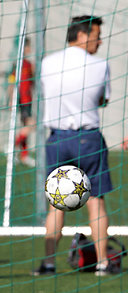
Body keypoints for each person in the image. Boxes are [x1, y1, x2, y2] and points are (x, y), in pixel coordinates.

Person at [33, 16, 113, 277]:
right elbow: (102, 100)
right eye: (97, 35)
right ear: (82, 35)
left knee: (55, 204)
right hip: (88, 139)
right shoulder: (100, 65)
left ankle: (48, 263)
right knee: (97, 203)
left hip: (57, 140)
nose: (100, 41)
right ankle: (102, 262)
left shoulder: (47, 63)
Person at [8, 38, 36, 167]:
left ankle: (24, 156)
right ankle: (11, 148)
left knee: (26, 126)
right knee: (30, 125)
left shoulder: (30, 64)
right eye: (28, 47)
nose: (30, 49)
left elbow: (33, 82)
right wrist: (11, 99)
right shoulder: (17, 64)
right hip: (21, 101)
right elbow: (12, 83)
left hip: (28, 100)